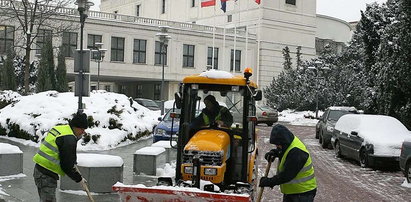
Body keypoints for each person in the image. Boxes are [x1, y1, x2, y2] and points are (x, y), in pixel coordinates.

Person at [33, 112, 89, 202]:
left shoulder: (61, 129)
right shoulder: (69, 139)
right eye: (82, 129)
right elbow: (66, 166)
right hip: (46, 174)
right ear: (75, 127)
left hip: (40, 169)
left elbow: (60, 148)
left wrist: (72, 160)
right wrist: (79, 179)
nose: (83, 132)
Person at [259, 124, 317, 202]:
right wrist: (274, 153)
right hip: (293, 192)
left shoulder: (297, 152)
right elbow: (285, 152)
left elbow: (286, 175)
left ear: (283, 142)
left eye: (278, 145)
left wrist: (269, 182)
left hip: (302, 194)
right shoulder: (289, 142)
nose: (277, 146)